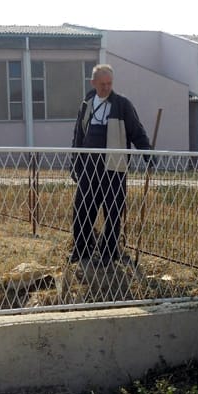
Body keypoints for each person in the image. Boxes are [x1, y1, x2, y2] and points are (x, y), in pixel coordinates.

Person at [70, 64, 152, 265]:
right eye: (102, 84)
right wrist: (75, 164)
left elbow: (137, 132)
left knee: (113, 211)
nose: (106, 88)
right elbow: (78, 136)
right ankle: (81, 251)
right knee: (82, 209)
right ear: (93, 83)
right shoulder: (86, 104)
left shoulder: (122, 104)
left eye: (109, 84)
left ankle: (109, 252)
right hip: (88, 168)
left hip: (114, 168)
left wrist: (148, 155)